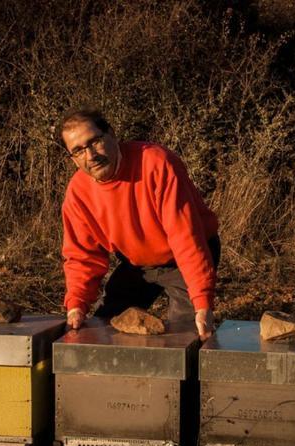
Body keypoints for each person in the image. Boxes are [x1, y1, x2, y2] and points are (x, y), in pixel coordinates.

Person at [59, 109, 220, 340]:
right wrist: (76, 304)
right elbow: (82, 255)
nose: (90, 155)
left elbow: (186, 236)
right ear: (72, 158)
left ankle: (188, 373)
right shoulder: (78, 193)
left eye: (94, 142)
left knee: (187, 335)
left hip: (185, 257)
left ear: (112, 134)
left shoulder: (156, 163)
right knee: (107, 327)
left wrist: (202, 302)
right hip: (137, 265)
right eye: (78, 151)